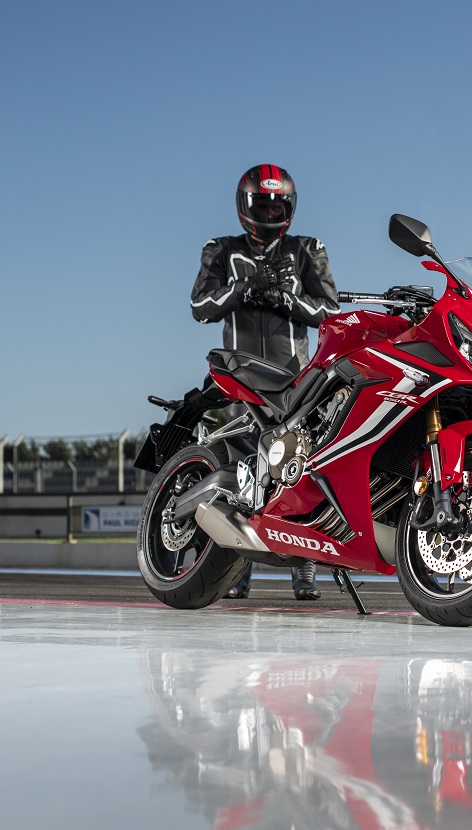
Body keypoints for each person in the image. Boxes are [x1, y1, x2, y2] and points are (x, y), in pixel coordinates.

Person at [190, 164, 340, 600]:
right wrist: (243, 288)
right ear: (246, 206)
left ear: (289, 207)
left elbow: (330, 310)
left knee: (300, 468)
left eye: (278, 205)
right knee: (241, 472)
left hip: (295, 379)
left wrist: (284, 298)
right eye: (263, 205)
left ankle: (305, 570)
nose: (271, 212)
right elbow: (200, 305)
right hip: (241, 381)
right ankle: (237, 573)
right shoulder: (221, 249)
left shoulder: (307, 249)